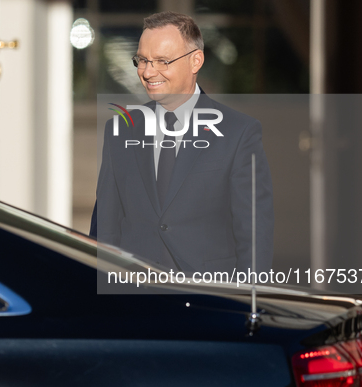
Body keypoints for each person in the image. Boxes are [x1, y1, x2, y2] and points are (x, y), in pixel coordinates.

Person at [90, 11, 274, 274]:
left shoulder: (239, 133)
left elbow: (254, 235)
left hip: (209, 298)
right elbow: (105, 228)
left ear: (195, 61)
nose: (147, 72)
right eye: (142, 60)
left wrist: (247, 305)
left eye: (162, 61)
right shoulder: (120, 130)